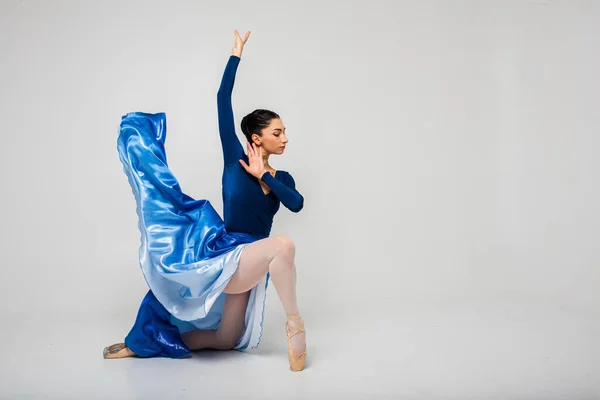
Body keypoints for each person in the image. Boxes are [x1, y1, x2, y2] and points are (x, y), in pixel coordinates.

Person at [102, 30, 307, 371]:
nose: (285, 138)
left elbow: (297, 204)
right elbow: (222, 97)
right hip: (228, 258)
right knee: (283, 244)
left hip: (252, 262)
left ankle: (148, 344)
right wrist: (236, 54)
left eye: (284, 132)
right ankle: (296, 326)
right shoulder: (234, 162)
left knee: (225, 338)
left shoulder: (281, 179)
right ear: (256, 138)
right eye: (277, 132)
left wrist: (265, 175)